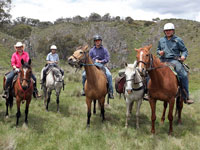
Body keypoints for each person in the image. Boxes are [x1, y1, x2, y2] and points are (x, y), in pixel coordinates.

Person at [157, 23, 194, 104]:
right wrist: (160, 52)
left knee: (183, 75)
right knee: (150, 71)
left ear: (173, 31)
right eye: (166, 30)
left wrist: (183, 56)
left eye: (169, 30)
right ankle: (148, 92)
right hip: (162, 60)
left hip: (174, 60)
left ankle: (185, 96)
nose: (168, 32)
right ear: (164, 31)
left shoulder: (178, 40)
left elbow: (184, 50)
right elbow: (158, 50)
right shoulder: (161, 40)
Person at [81, 35, 114, 99]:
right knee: (83, 75)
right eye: (96, 41)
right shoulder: (91, 50)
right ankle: (84, 90)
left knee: (109, 75)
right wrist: (93, 61)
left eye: (99, 41)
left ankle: (110, 92)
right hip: (92, 66)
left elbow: (107, 59)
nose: (97, 42)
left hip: (101, 65)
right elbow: (88, 59)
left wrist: (100, 61)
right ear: (94, 42)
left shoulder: (104, 50)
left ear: (101, 41)